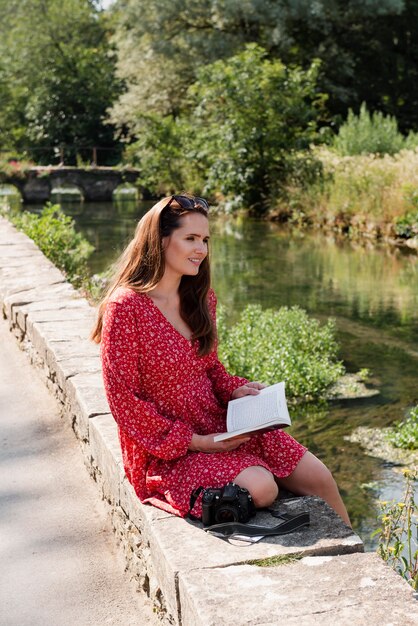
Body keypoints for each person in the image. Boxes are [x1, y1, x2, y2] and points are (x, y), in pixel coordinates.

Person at [91, 194, 351, 526]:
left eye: (205, 239)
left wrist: (235, 390)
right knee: (262, 488)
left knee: (319, 477)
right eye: (190, 238)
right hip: (170, 449)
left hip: (221, 423)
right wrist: (197, 442)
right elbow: (123, 401)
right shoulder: (125, 307)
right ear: (161, 239)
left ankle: (361, 562)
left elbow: (209, 366)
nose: (201, 249)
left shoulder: (199, 297)